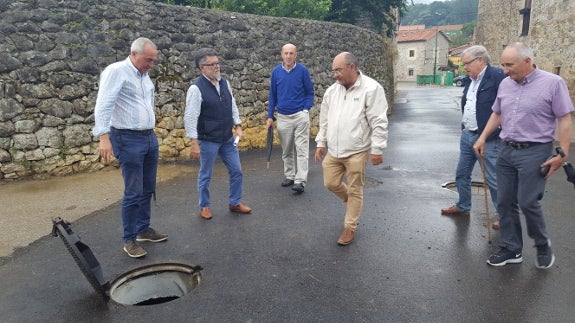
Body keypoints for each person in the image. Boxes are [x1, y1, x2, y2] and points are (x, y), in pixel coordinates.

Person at [474, 42, 573, 269]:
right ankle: (512, 248)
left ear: (527, 61)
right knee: (505, 202)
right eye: (503, 65)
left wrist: (563, 153)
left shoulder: (553, 83)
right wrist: (482, 137)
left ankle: (542, 244)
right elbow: (497, 113)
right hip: (506, 149)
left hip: (536, 150)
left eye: (510, 65)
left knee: (528, 201)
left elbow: (564, 119)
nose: (505, 70)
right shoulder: (505, 84)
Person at [92, 37, 168, 258]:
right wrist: (103, 138)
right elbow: (103, 104)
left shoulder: (144, 75)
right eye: (148, 60)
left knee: (148, 186)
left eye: (153, 61)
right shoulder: (116, 71)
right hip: (127, 138)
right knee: (133, 191)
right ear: (133, 54)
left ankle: (143, 229)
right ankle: (129, 240)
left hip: (148, 137)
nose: (151, 65)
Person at [314, 52, 389, 246]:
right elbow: (324, 120)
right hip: (334, 151)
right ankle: (352, 203)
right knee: (330, 183)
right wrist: (321, 143)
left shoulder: (372, 89)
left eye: (338, 70)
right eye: (333, 71)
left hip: (358, 151)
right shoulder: (332, 91)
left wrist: (377, 149)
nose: (335, 75)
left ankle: (349, 228)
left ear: (352, 67)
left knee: (356, 189)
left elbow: (379, 121)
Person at [441, 45, 506, 231]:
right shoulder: (471, 80)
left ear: (481, 60)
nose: (464, 68)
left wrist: (492, 133)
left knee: (493, 179)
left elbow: (505, 108)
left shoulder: (498, 78)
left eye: (467, 63)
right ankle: (463, 206)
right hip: (468, 135)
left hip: (489, 140)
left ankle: (504, 217)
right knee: (462, 173)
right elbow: (469, 104)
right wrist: (464, 126)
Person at [184, 48, 252, 220]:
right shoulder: (196, 89)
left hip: (227, 138)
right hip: (208, 140)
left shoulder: (224, 83)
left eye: (217, 63)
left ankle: (234, 202)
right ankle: (204, 206)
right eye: (212, 64)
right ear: (202, 68)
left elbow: (232, 104)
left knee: (237, 171)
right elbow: (191, 117)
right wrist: (194, 142)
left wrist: (238, 125)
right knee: (206, 174)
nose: (217, 67)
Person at [267, 44, 315, 194]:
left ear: (296, 55)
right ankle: (290, 175)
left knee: (301, 149)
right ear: (281, 54)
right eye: (286, 53)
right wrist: (270, 116)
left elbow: (310, 92)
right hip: (283, 116)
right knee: (287, 149)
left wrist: (305, 109)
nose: (288, 56)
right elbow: (272, 96)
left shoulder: (302, 70)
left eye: (291, 53)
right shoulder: (276, 72)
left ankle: (300, 181)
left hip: (300, 115)